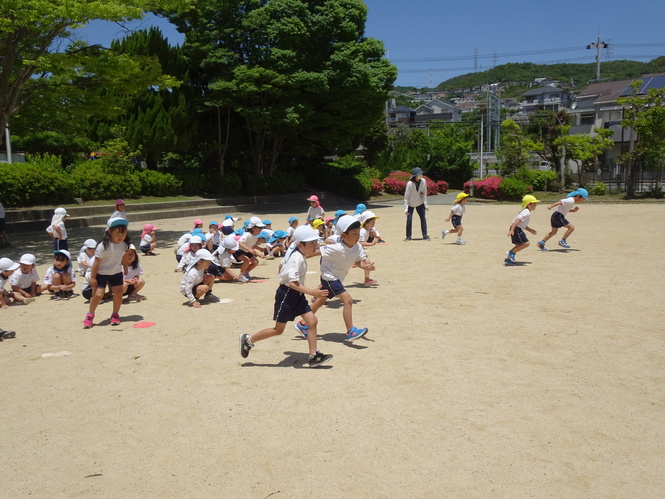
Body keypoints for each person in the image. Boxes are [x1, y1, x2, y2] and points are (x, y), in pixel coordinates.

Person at [239, 225, 332, 368]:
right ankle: (248, 339)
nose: (316, 245)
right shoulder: (296, 258)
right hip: (287, 295)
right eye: (312, 243)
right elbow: (292, 283)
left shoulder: (294, 248)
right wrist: (313, 292)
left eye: (316, 242)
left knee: (312, 321)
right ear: (301, 244)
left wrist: (283, 275)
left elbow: (281, 266)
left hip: (296, 294)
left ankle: (314, 356)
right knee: (278, 330)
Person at [304, 215, 374, 341]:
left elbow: (359, 262)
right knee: (348, 300)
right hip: (329, 277)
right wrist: (298, 256)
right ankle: (350, 331)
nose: (358, 235)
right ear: (343, 235)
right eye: (354, 233)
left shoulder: (357, 246)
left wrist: (366, 267)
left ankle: (303, 324)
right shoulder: (336, 247)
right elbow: (314, 252)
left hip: (337, 278)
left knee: (320, 301)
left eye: (358, 232)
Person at [82, 217, 132, 328]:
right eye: (118, 234)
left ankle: (115, 314)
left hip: (116, 272)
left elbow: (124, 255)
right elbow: (96, 263)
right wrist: (93, 277)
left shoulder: (125, 244)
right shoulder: (103, 245)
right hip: (101, 273)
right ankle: (90, 314)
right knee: (98, 295)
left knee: (119, 293)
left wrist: (125, 266)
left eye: (123, 234)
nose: (120, 236)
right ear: (109, 232)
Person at [505, 195, 540, 265]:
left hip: (517, 229)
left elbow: (522, 224)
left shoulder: (527, 211)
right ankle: (511, 252)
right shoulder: (526, 212)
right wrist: (512, 230)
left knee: (519, 245)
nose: (536, 204)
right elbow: (517, 220)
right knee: (526, 243)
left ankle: (508, 260)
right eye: (534, 203)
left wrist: (530, 230)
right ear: (529, 204)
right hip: (516, 229)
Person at [236, 217, 266, 282]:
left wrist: (259, 249)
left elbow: (252, 245)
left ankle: (245, 272)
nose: (261, 230)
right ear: (253, 228)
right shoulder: (247, 234)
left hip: (246, 250)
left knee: (255, 262)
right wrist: (249, 249)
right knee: (246, 260)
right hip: (239, 250)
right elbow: (240, 243)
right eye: (259, 228)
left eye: (261, 228)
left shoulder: (255, 237)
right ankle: (241, 275)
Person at [404, 167, 430, 241]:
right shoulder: (410, 184)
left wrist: (425, 205)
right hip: (410, 204)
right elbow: (406, 197)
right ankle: (408, 236)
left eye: (421, 174)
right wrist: (406, 208)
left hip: (420, 202)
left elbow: (424, 193)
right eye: (419, 174)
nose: (420, 175)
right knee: (409, 220)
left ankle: (425, 235)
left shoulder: (423, 181)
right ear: (415, 175)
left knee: (423, 218)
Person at [358, 211, 379, 287]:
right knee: (368, 263)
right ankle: (366, 280)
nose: (373, 223)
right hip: (355, 250)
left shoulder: (368, 230)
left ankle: (367, 280)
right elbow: (361, 243)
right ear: (365, 222)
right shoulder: (362, 231)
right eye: (371, 221)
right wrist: (372, 244)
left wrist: (372, 235)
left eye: (374, 221)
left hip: (359, 250)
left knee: (368, 263)